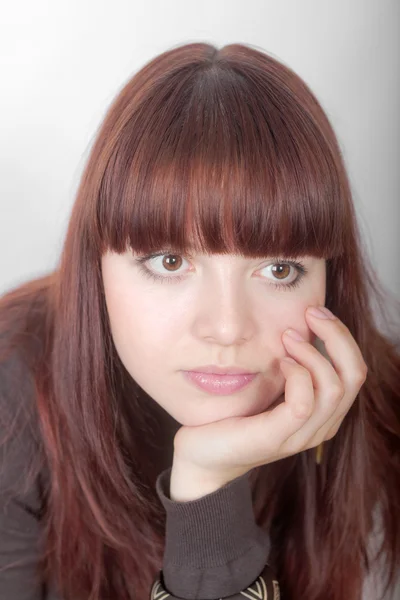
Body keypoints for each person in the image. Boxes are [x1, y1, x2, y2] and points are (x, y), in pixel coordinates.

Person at [0, 41, 399, 600]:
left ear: (329, 277)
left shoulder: (379, 408)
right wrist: (210, 499)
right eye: (170, 262)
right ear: (96, 267)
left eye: (279, 268)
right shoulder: (12, 394)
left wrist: (208, 482)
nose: (227, 328)